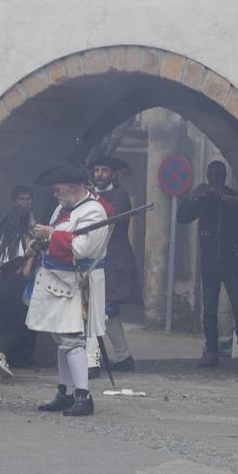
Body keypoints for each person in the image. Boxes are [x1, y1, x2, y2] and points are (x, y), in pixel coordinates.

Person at [26, 163, 110, 418]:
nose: (55, 193)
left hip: (77, 282)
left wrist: (51, 234)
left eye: (58, 189)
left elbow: (81, 249)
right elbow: (56, 240)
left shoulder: (94, 212)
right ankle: (66, 392)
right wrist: (39, 242)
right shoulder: (63, 209)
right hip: (57, 280)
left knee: (73, 339)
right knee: (61, 339)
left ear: (74, 187)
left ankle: (83, 396)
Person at [178, 160, 238, 367]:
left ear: (225, 176)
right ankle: (211, 350)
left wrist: (230, 201)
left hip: (231, 260)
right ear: (208, 176)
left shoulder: (233, 196)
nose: (216, 179)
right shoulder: (204, 197)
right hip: (210, 260)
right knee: (209, 308)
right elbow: (182, 217)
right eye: (213, 175)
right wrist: (195, 195)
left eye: (219, 175)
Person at [0, 189, 38, 380]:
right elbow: (27, 272)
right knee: (17, 325)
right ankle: (2, 356)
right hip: (12, 283)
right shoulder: (27, 240)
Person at [90, 155, 141, 372]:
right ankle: (122, 356)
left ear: (112, 174)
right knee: (102, 310)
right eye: (97, 170)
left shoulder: (119, 196)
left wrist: (93, 197)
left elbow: (110, 215)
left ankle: (94, 359)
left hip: (114, 259)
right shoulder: (91, 196)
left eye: (104, 170)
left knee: (104, 309)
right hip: (95, 258)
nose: (99, 175)